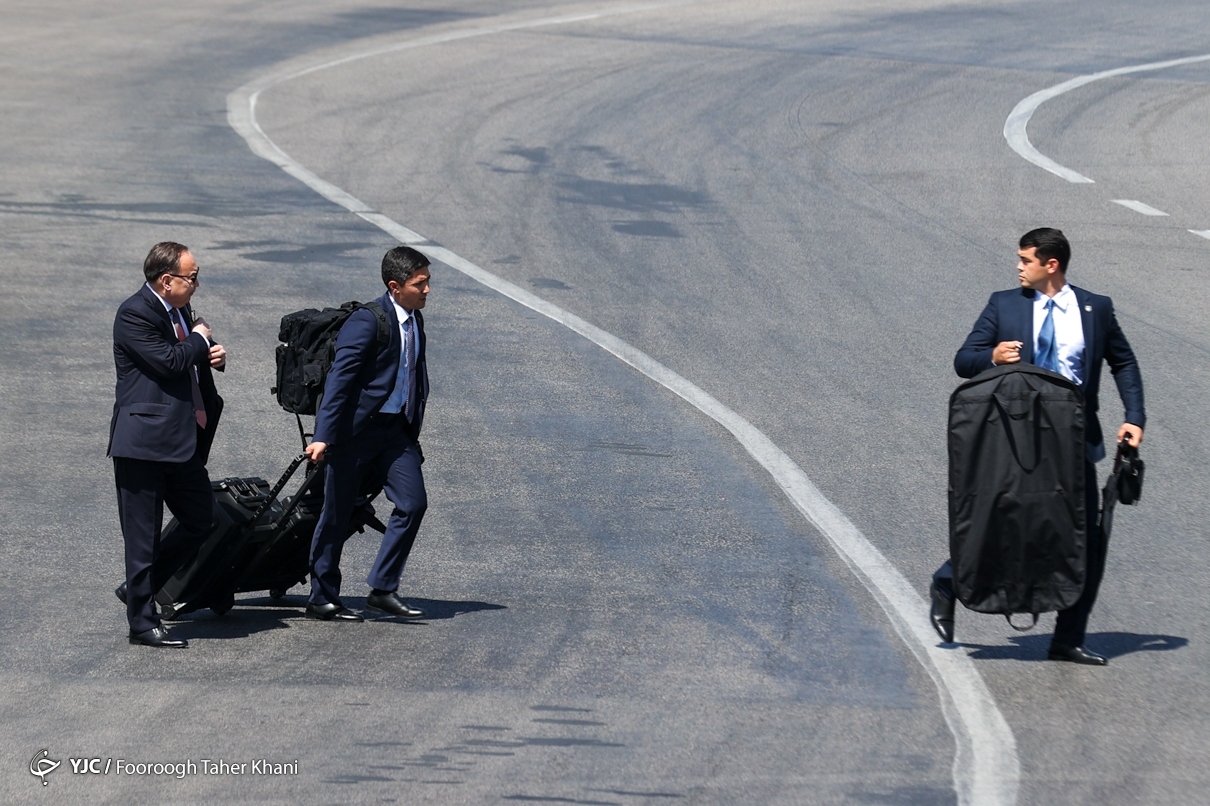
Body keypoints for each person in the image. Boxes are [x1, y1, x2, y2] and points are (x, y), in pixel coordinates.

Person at [930, 228, 1145, 665]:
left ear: (1051, 265)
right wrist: (993, 356)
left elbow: (1123, 361)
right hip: (1016, 439)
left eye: (1025, 260)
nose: (1017, 266)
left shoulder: (1095, 308)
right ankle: (949, 580)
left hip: (1074, 439)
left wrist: (1134, 418)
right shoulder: (1004, 304)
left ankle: (1067, 638)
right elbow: (962, 360)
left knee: (1085, 541)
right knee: (1000, 520)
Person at [302, 246, 432, 622]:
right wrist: (324, 436)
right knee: (337, 513)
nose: (427, 290)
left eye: (427, 282)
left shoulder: (414, 320)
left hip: (395, 432)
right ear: (395, 286)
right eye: (419, 283)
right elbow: (339, 381)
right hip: (354, 433)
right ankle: (321, 597)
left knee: (413, 504)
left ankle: (382, 589)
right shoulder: (367, 321)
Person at [110, 242, 226, 648]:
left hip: (180, 443)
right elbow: (169, 361)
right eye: (191, 277)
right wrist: (197, 340)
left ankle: (139, 588)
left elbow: (188, 356)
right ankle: (142, 623)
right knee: (142, 539)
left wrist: (212, 353)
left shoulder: (180, 312)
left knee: (203, 518)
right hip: (142, 444)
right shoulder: (134, 313)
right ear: (166, 280)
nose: (196, 284)